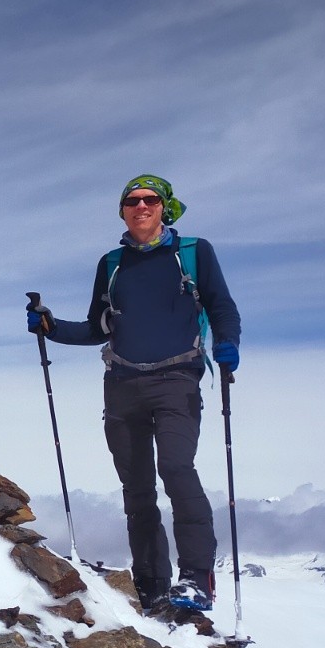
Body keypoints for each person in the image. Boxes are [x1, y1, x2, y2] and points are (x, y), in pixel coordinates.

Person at [27, 175, 241, 611]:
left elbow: (221, 305)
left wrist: (228, 341)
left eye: (149, 200)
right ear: (122, 210)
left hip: (177, 379)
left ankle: (197, 578)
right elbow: (95, 327)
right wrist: (50, 326)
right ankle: (151, 584)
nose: (140, 206)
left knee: (178, 470)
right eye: (131, 201)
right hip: (122, 384)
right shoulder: (112, 263)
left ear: (165, 207)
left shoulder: (193, 253)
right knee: (137, 488)